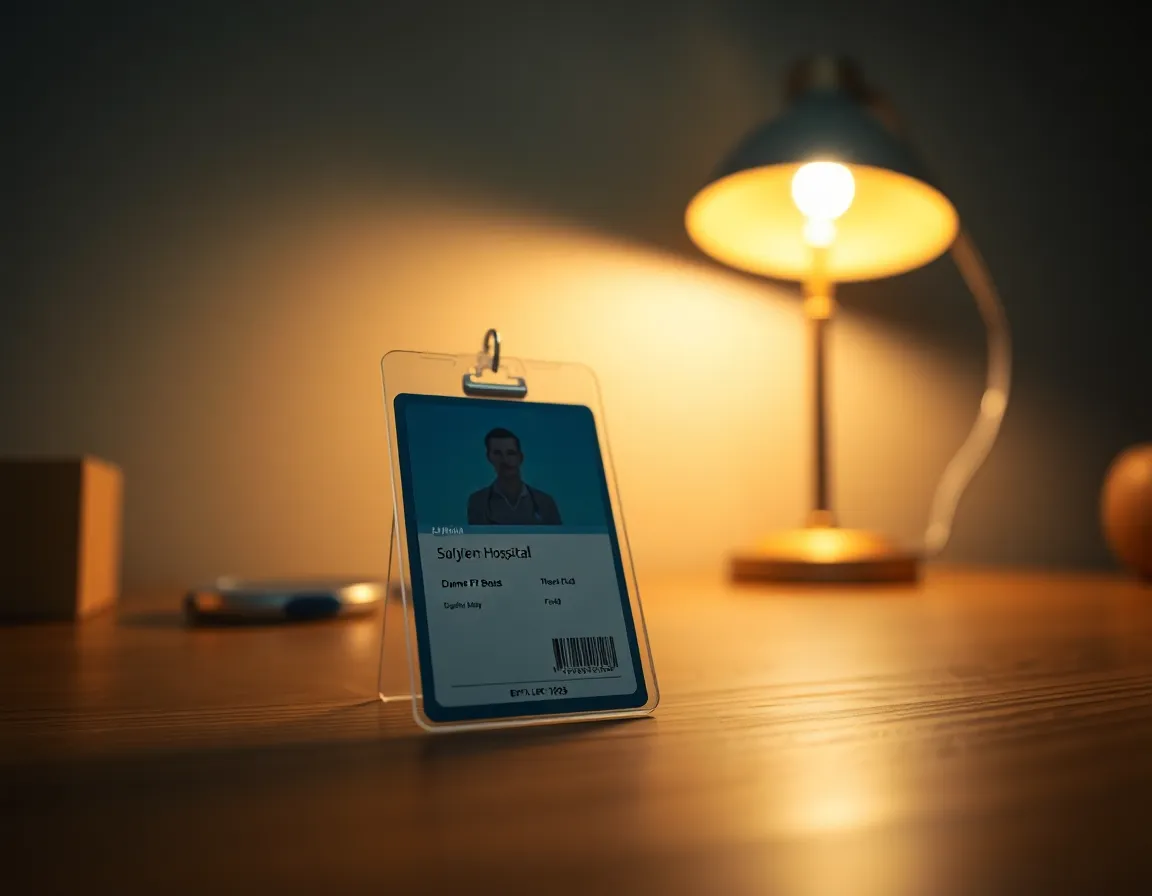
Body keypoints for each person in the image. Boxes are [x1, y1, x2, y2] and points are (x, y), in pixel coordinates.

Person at [467, 427, 562, 525]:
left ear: (520, 457)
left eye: (511, 453)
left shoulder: (545, 503)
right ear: (489, 457)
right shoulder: (478, 502)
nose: (505, 460)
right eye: (498, 453)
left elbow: (559, 539)